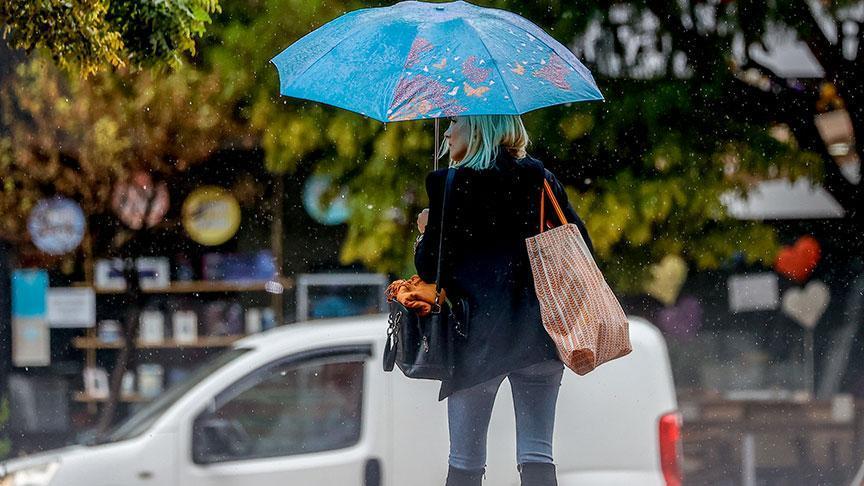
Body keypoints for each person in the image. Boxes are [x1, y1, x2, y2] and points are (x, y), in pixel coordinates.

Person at [414, 115, 594, 486]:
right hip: (541, 336)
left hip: (476, 341)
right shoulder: (541, 179)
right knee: (538, 455)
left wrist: (426, 230)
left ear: (479, 129)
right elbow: (582, 249)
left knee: (465, 463)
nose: (447, 132)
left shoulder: (448, 185)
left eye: (455, 123)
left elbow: (430, 271)